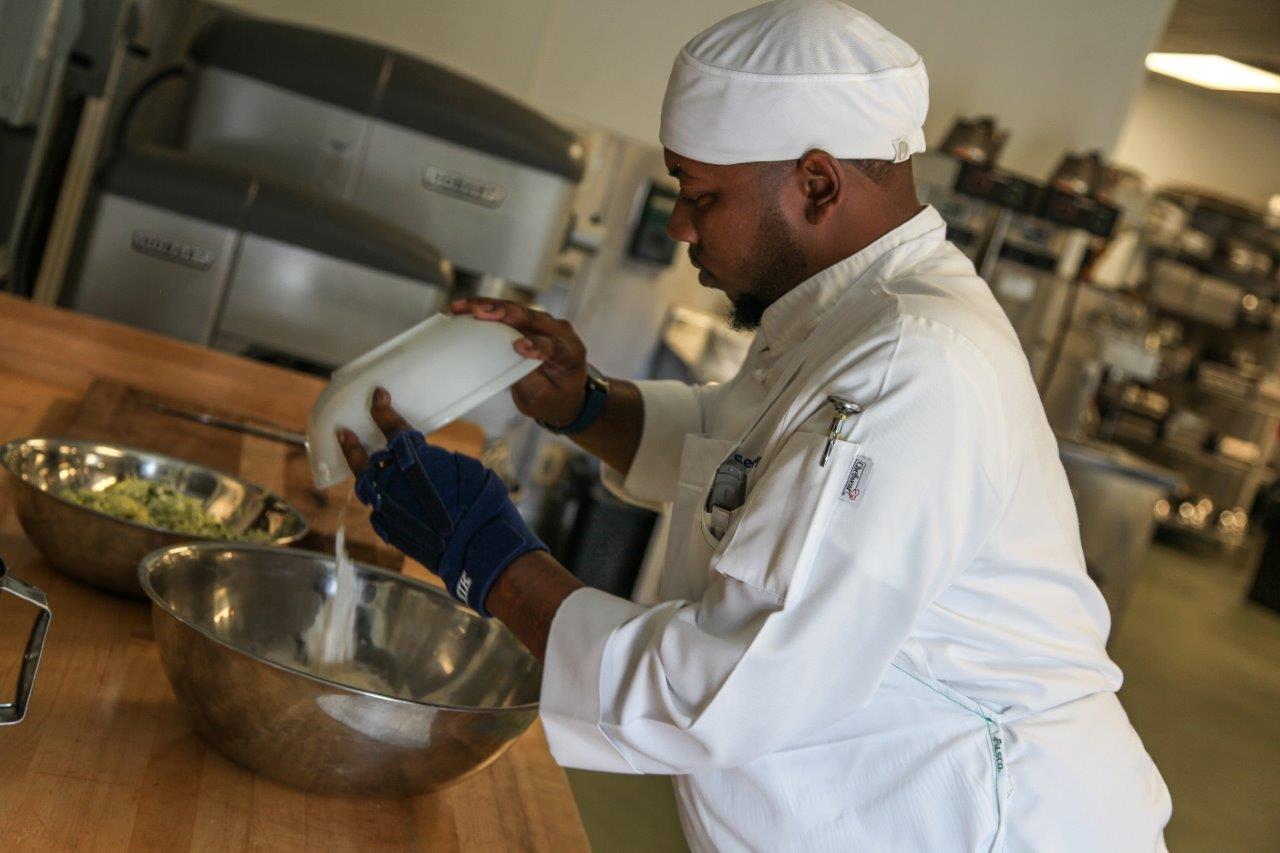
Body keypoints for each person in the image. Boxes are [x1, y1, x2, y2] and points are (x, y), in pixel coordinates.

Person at [337, 1, 1171, 849]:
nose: (678, 226)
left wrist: (487, 557)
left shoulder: (914, 365)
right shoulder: (849, 312)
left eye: (701, 195)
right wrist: (585, 401)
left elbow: (724, 687)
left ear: (816, 183)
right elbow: (740, 447)